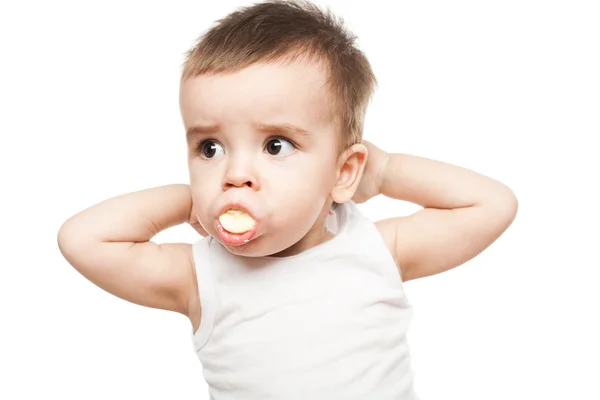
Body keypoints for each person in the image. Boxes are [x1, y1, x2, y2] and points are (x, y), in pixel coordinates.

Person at [57, 1, 518, 398]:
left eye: (276, 145)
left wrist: (385, 170)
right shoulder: (201, 277)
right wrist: (187, 203)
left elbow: (491, 205)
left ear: (343, 172)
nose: (235, 175)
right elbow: (82, 239)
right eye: (209, 148)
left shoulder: (375, 250)